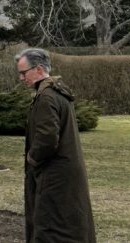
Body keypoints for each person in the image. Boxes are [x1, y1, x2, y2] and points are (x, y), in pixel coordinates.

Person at [16, 47, 96, 242]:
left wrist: (32, 158)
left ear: (39, 69)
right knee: (68, 224)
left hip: (54, 177)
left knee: (52, 228)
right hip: (64, 174)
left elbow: (47, 139)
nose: (21, 78)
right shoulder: (57, 94)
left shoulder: (47, 97)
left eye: (23, 73)